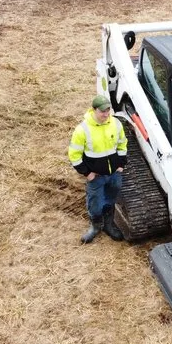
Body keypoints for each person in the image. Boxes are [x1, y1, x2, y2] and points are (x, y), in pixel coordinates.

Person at [67, 95, 127, 243]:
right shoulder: (82, 130)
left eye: (108, 110)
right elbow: (74, 155)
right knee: (95, 203)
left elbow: (122, 144)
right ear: (94, 110)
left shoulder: (116, 123)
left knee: (111, 198)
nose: (106, 114)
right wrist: (87, 173)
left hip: (114, 174)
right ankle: (95, 226)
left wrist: (121, 164)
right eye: (102, 111)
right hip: (96, 176)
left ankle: (108, 224)